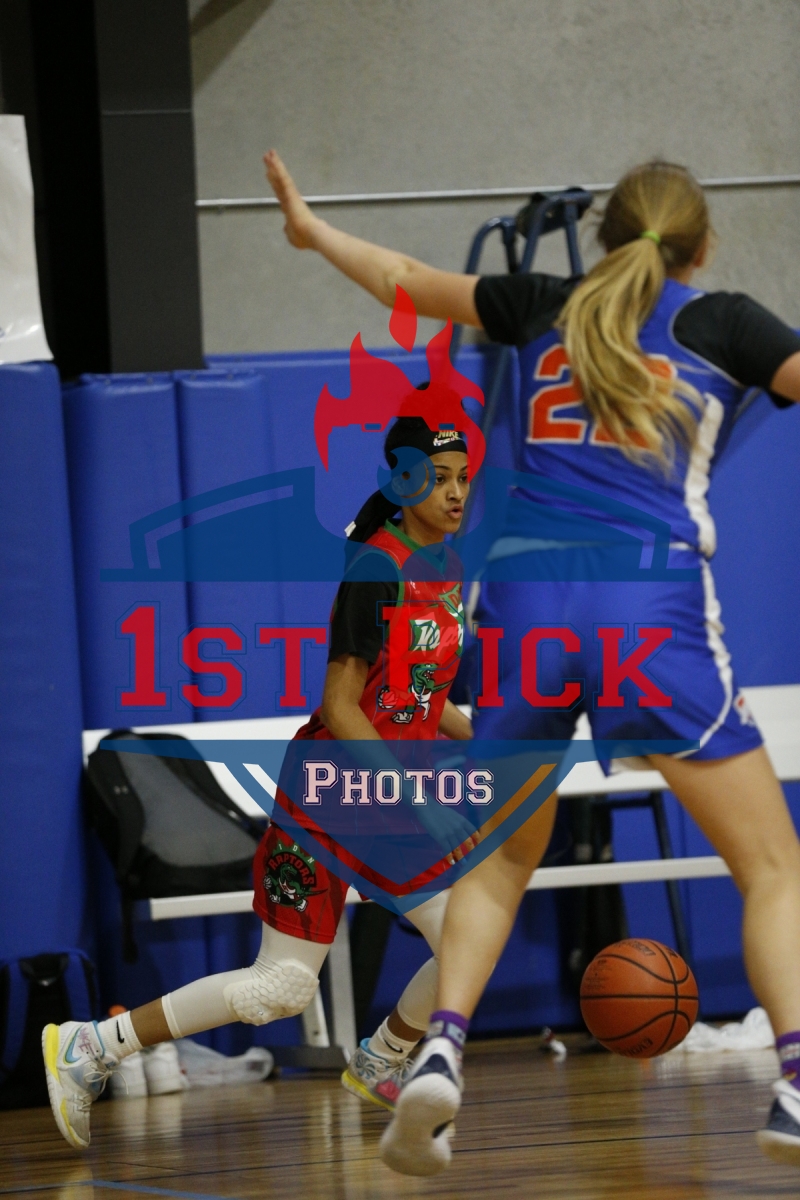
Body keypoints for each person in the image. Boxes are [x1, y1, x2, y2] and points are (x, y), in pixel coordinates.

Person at [263, 150, 800, 1175]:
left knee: (502, 860)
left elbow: (402, 279)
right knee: (772, 867)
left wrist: (312, 232)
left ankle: (438, 1055)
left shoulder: (542, 304)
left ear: (605, 236)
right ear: (700, 248)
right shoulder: (724, 323)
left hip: (521, 607)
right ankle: (795, 1082)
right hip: (643, 604)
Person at [43, 414, 476, 1150]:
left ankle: (98, 1045)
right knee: (423, 947)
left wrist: (488, 737)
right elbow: (340, 706)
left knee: (306, 979)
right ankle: (382, 1057)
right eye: (439, 479)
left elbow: (423, 698)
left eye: (464, 478)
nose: (456, 492)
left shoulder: (447, 570)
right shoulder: (377, 572)